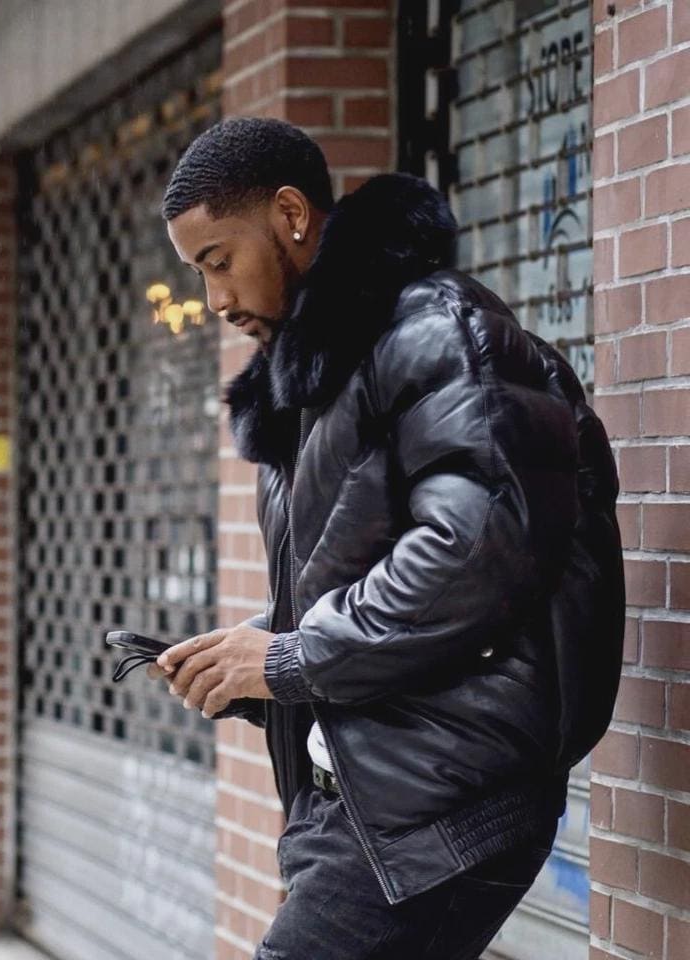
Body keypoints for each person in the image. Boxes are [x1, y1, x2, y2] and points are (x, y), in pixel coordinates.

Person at [147, 117, 625, 959]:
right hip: (365, 802)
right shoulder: (312, 386)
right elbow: (366, 582)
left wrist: (289, 658)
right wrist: (250, 657)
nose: (215, 301)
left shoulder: (436, 332)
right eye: (199, 274)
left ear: (291, 215)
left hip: (447, 801)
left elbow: (472, 553)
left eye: (219, 260)